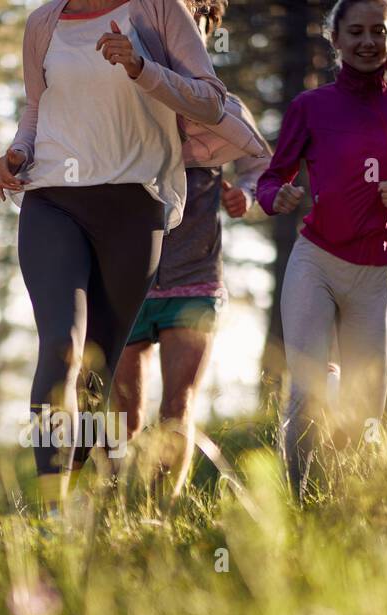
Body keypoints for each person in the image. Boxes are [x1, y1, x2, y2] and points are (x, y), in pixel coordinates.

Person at [0, 0, 266, 517]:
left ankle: (92, 499)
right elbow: (37, 107)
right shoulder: (43, 23)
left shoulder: (159, 10)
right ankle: (53, 509)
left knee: (98, 369)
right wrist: (17, 154)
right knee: (61, 346)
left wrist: (143, 70)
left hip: (134, 204)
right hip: (53, 199)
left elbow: (211, 102)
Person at [256, 0, 387, 498]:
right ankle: (297, 500)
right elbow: (271, 178)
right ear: (336, 38)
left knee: (365, 406)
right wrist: (275, 196)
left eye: (378, 31)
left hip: (377, 274)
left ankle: (345, 500)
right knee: (305, 390)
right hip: (318, 260)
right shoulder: (310, 107)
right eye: (356, 32)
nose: (368, 41)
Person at [109, 0, 270, 499]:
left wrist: (245, 193)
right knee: (122, 416)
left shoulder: (223, 107)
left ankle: (158, 514)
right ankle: (110, 511)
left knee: (178, 407)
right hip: (126, 277)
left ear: (205, 28)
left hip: (194, 274)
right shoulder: (123, 100)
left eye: (193, 23)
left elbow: (259, 163)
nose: (183, 32)